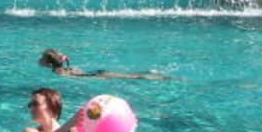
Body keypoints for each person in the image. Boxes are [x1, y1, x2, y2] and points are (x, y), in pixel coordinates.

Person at [38, 49, 171, 80]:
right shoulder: (68, 67)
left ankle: (155, 77)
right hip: (96, 72)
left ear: (49, 64)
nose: (39, 60)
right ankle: (149, 73)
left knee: (132, 77)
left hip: (97, 76)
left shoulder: (59, 73)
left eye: (42, 58)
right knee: (130, 75)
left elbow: (78, 78)